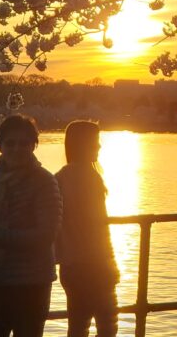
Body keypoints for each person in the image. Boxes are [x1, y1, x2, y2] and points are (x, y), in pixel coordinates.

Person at [0, 115, 61, 337]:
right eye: (10, 143)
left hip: (32, 281)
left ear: (33, 145)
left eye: (24, 143)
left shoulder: (44, 181)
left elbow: (47, 235)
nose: (17, 149)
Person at [56, 120, 119, 337]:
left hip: (71, 264)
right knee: (107, 324)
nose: (99, 147)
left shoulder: (61, 177)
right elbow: (98, 227)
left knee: (78, 325)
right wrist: (110, 264)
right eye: (95, 142)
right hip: (94, 263)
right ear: (82, 144)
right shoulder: (89, 177)